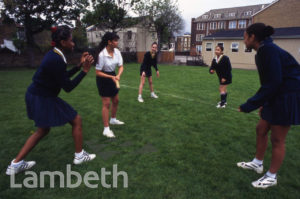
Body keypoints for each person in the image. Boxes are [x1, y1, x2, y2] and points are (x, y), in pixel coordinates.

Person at [6, 26, 96, 175]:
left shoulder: (55, 54)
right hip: (42, 97)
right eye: (71, 40)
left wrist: (79, 66)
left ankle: (15, 164)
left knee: (43, 130)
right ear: (63, 42)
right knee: (76, 119)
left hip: (38, 94)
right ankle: (79, 156)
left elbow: (62, 76)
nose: (73, 43)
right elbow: (68, 86)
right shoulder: (56, 59)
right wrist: (85, 71)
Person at [237, 23, 300, 189]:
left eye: (245, 37)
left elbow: (274, 82)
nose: (243, 41)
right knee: (261, 129)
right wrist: (264, 102)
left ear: (252, 37)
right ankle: (257, 163)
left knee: (277, 138)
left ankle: (271, 176)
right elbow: (268, 82)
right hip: (277, 93)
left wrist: (249, 105)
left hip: (288, 95)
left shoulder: (269, 50)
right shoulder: (263, 51)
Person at [96, 32, 124, 138]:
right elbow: (97, 72)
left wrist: (118, 75)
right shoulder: (102, 55)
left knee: (116, 100)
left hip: (112, 76)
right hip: (103, 78)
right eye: (115, 41)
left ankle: (113, 119)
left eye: (117, 40)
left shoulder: (117, 52)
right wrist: (111, 77)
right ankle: (106, 129)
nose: (117, 43)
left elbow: (121, 66)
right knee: (106, 103)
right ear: (109, 42)